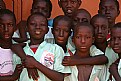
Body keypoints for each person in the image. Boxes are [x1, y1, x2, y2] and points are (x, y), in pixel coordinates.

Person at [13, 12, 71, 81]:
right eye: (33, 24)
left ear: (47, 30)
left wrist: (35, 64)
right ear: (26, 28)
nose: (38, 27)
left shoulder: (55, 49)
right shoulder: (20, 51)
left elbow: (60, 78)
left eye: (42, 24)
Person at [91, 14, 119, 81]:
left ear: (108, 30)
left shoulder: (116, 49)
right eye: (95, 27)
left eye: (103, 28)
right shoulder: (86, 50)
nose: (99, 31)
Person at [0, 9, 23, 81]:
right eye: (1, 25)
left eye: (10, 25)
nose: (6, 29)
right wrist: (12, 77)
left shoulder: (20, 49)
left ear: (15, 27)